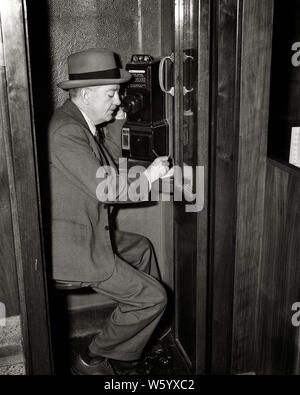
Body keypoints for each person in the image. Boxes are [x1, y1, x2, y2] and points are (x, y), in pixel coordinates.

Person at [48, 48, 170, 375]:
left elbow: (107, 165)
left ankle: (131, 339)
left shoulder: (79, 122)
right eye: (111, 93)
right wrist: (151, 175)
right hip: (72, 248)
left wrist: (116, 124)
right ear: (86, 94)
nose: (117, 100)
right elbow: (108, 189)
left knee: (141, 248)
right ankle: (91, 358)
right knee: (154, 297)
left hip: (85, 230)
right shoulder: (66, 132)